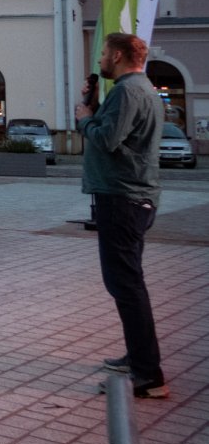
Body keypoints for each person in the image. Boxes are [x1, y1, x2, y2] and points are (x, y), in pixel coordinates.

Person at [75, 32, 167, 399]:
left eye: (102, 54)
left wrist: (84, 118)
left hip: (122, 199)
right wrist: (95, 106)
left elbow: (108, 139)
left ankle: (148, 374)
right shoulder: (139, 88)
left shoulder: (128, 91)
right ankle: (140, 357)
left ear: (116, 55)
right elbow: (119, 135)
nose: (99, 60)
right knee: (128, 284)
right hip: (132, 197)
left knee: (125, 285)